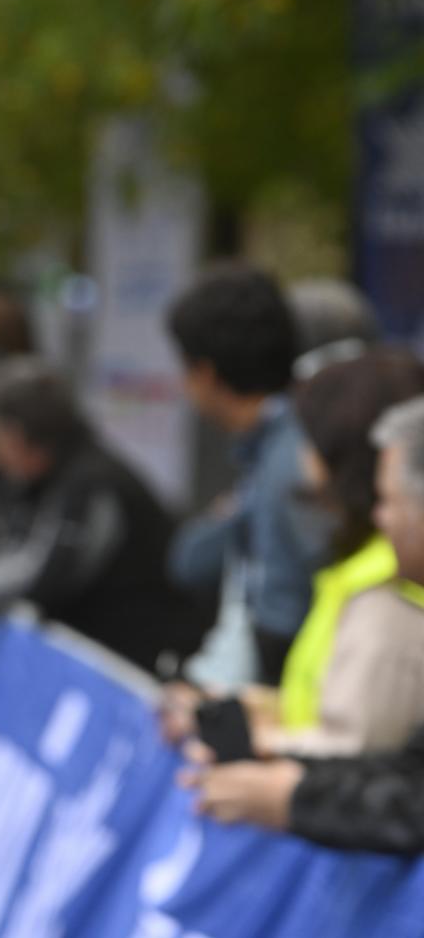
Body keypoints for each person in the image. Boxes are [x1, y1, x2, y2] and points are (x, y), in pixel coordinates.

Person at [185, 395, 424, 852]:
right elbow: (408, 765)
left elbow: (401, 787)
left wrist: (294, 797)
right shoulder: (353, 574)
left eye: (391, 501)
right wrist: (279, 759)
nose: (381, 517)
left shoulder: (387, 598)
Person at [161, 351, 424, 755]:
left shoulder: (388, 586)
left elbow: (355, 753)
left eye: (306, 436)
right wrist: (258, 710)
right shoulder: (352, 565)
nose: (296, 455)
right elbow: (336, 706)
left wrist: (255, 745)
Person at [0, 357, 215, 674]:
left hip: (148, 662)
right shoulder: (49, 477)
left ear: (16, 436)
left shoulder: (93, 484)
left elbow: (40, 574)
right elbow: (13, 545)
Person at [166, 263, 322, 685]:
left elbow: (282, 610)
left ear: (205, 373)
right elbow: (190, 559)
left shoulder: (288, 460)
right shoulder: (283, 444)